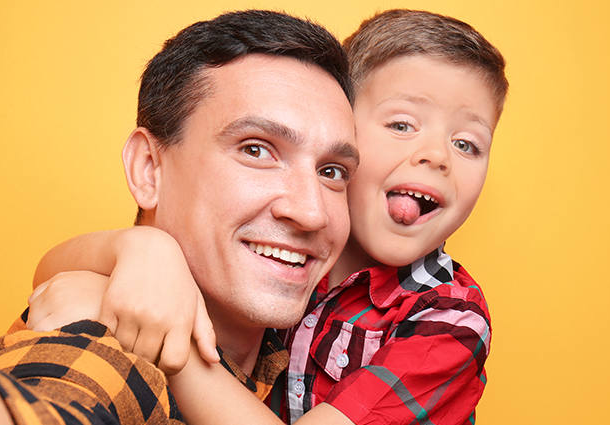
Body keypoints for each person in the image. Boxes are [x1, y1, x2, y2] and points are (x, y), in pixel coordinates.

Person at [31, 9, 508, 425]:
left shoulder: (449, 318)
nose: (437, 157)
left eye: (467, 144)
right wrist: (136, 250)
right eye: (401, 125)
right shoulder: (276, 264)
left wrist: (169, 349)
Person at [0, 9, 359, 424]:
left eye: (332, 172)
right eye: (256, 149)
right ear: (149, 169)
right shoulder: (104, 351)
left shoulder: (331, 331)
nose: (311, 211)